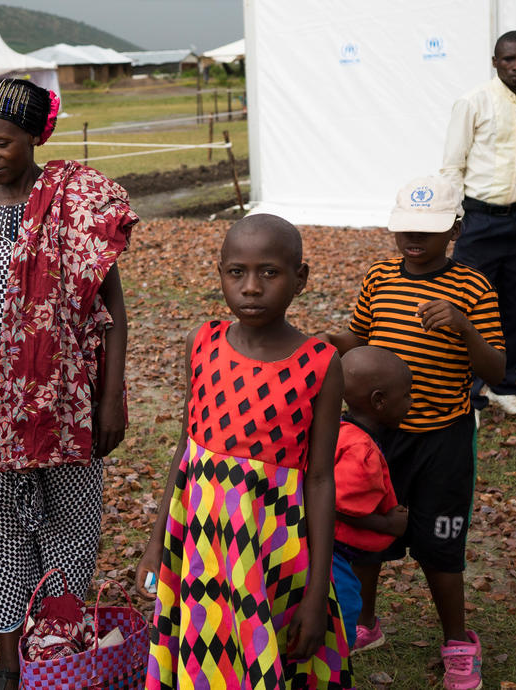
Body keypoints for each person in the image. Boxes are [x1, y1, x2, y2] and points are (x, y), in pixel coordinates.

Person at [0, 78, 136, 689]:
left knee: (71, 524)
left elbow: (114, 311)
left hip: (65, 398)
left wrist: (110, 399)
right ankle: (8, 662)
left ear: (34, 136)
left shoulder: (74, 206)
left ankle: (61, 653)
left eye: (2, 141)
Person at [136, 214, 350, 689]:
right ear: (221, 274)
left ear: (301, 279)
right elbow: (187, 449)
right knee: (204, 651)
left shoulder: (319, 363)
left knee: (268, 654)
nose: (251, 287)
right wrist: (157, 545)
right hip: (199, 547)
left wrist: (316, 594)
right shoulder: (203, 343)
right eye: (237, 272)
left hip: (272, 549)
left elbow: (319, 479)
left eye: (269, 273)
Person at [323, 175, 505, 690]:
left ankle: (458, 642)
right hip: (376, 437)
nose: (414, 240)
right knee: (365, 532)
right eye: (405, 228)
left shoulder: (473, 287)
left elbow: (496, 371)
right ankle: (364, 623)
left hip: (441, 438)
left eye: (428, 229)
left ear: (456, 227)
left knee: (440, 546)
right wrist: (322, 341)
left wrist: (465, 327)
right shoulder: (380, 276)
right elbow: (358, 339)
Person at [441, 30, 516, 417]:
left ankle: (505, 385)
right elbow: (453, 165)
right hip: (481, 220)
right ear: (495, 61)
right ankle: (464, 393)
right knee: (466, 306)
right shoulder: (473, 103)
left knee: (515, 308)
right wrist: (455, 219)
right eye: (509, 59)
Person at [332, 345, 412, 651]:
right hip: (335, 554)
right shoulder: (361, 450)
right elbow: (338, 504)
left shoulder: (339, 428)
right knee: (345, 612)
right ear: (379, 400)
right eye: (406, 395)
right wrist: (387, 524)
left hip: (322, 546)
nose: (411, 402)